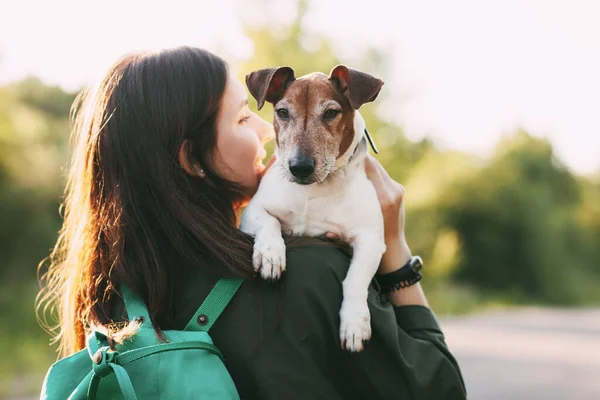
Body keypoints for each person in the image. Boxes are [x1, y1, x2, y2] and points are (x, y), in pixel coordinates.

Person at [37, 46, 466, 399]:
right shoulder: (314, 274)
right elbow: (441, 388)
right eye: (245, 117)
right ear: (191, 159)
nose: (266, 129)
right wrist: (395, 255)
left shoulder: (112, 292)